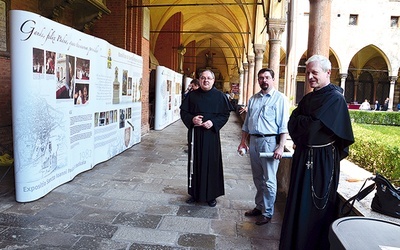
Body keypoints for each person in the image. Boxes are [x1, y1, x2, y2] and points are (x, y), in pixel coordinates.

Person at [279, 55, 354, 250]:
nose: (310, 76)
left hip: (322, 162)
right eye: (308, 72)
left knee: (315, 208)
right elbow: (292, 123)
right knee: (297, 204)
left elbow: (311, 132)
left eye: (315, 72)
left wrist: (305, 122)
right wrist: (308, 122)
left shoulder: (335, 99)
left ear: (328, 73)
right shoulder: (309, 98)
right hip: (303, 156)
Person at [238, 68, 289, 225]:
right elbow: (247, 124)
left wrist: (281, 146)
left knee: (269, 180)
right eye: (261, 78)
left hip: (269, 142)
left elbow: (283, 125)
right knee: (257, 177)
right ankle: (259, 207)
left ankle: (267, 212)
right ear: (258, 80)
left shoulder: (280, 99)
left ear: (273, 79)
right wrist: (242, 141)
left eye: (267, 77)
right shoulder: (253, 99)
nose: (264, 80)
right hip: (253, 141)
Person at [180, 69, 234, 207]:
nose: (206, 80)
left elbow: (225, 115)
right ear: (199, 80)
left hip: (211, 136)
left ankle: (211, 195)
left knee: (212, 164)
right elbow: (184, 112)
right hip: (196, 135)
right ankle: (194, 193)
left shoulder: (220, 96)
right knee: (194, 163)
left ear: (213, 80)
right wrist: (192, 119)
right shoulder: (192, 96)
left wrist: (213, 123)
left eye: (208, 78)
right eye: (203, 78)